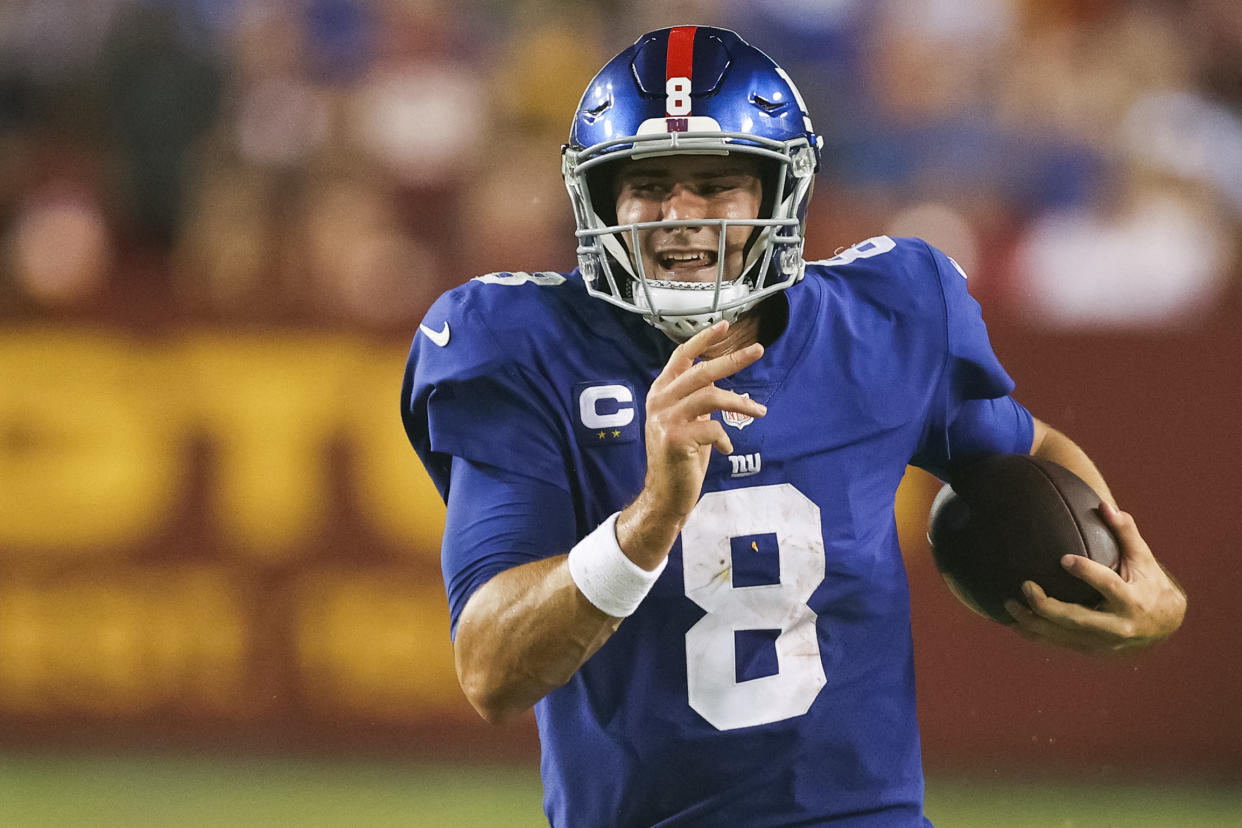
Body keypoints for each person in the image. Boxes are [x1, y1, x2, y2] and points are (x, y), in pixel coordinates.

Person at [400, 26, 1186, 827]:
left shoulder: (886, 317)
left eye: (715, 185)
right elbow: (490, 670)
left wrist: (1132, 579)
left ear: (781, 193)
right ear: (599, 198)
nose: (678, 215)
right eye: (648, 185)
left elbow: (1027, 448)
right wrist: (650, 519)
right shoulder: (523, 348)